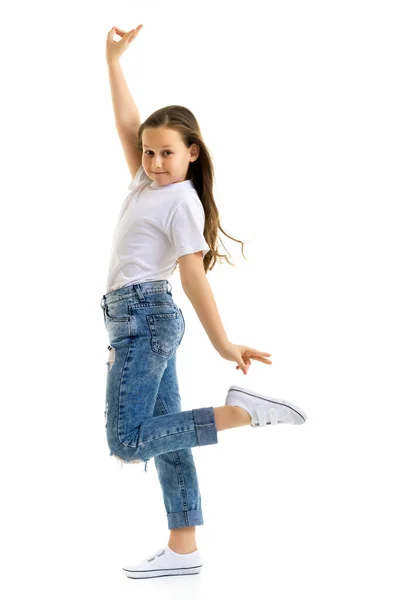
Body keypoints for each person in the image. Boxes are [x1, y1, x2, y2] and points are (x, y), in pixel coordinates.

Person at [102, 24, 308, 580]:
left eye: (167, 153)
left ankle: (243, 413)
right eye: (148, 152)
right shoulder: (147, 184)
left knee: (126, 441)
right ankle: (184, 545)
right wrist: (113, 61)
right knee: (167, 434)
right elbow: (128, 124)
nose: (153, 161)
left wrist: (223, 344)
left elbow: (194, 278)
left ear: (191, 153)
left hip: (145, 319)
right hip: (139, 318)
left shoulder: (180, 204)